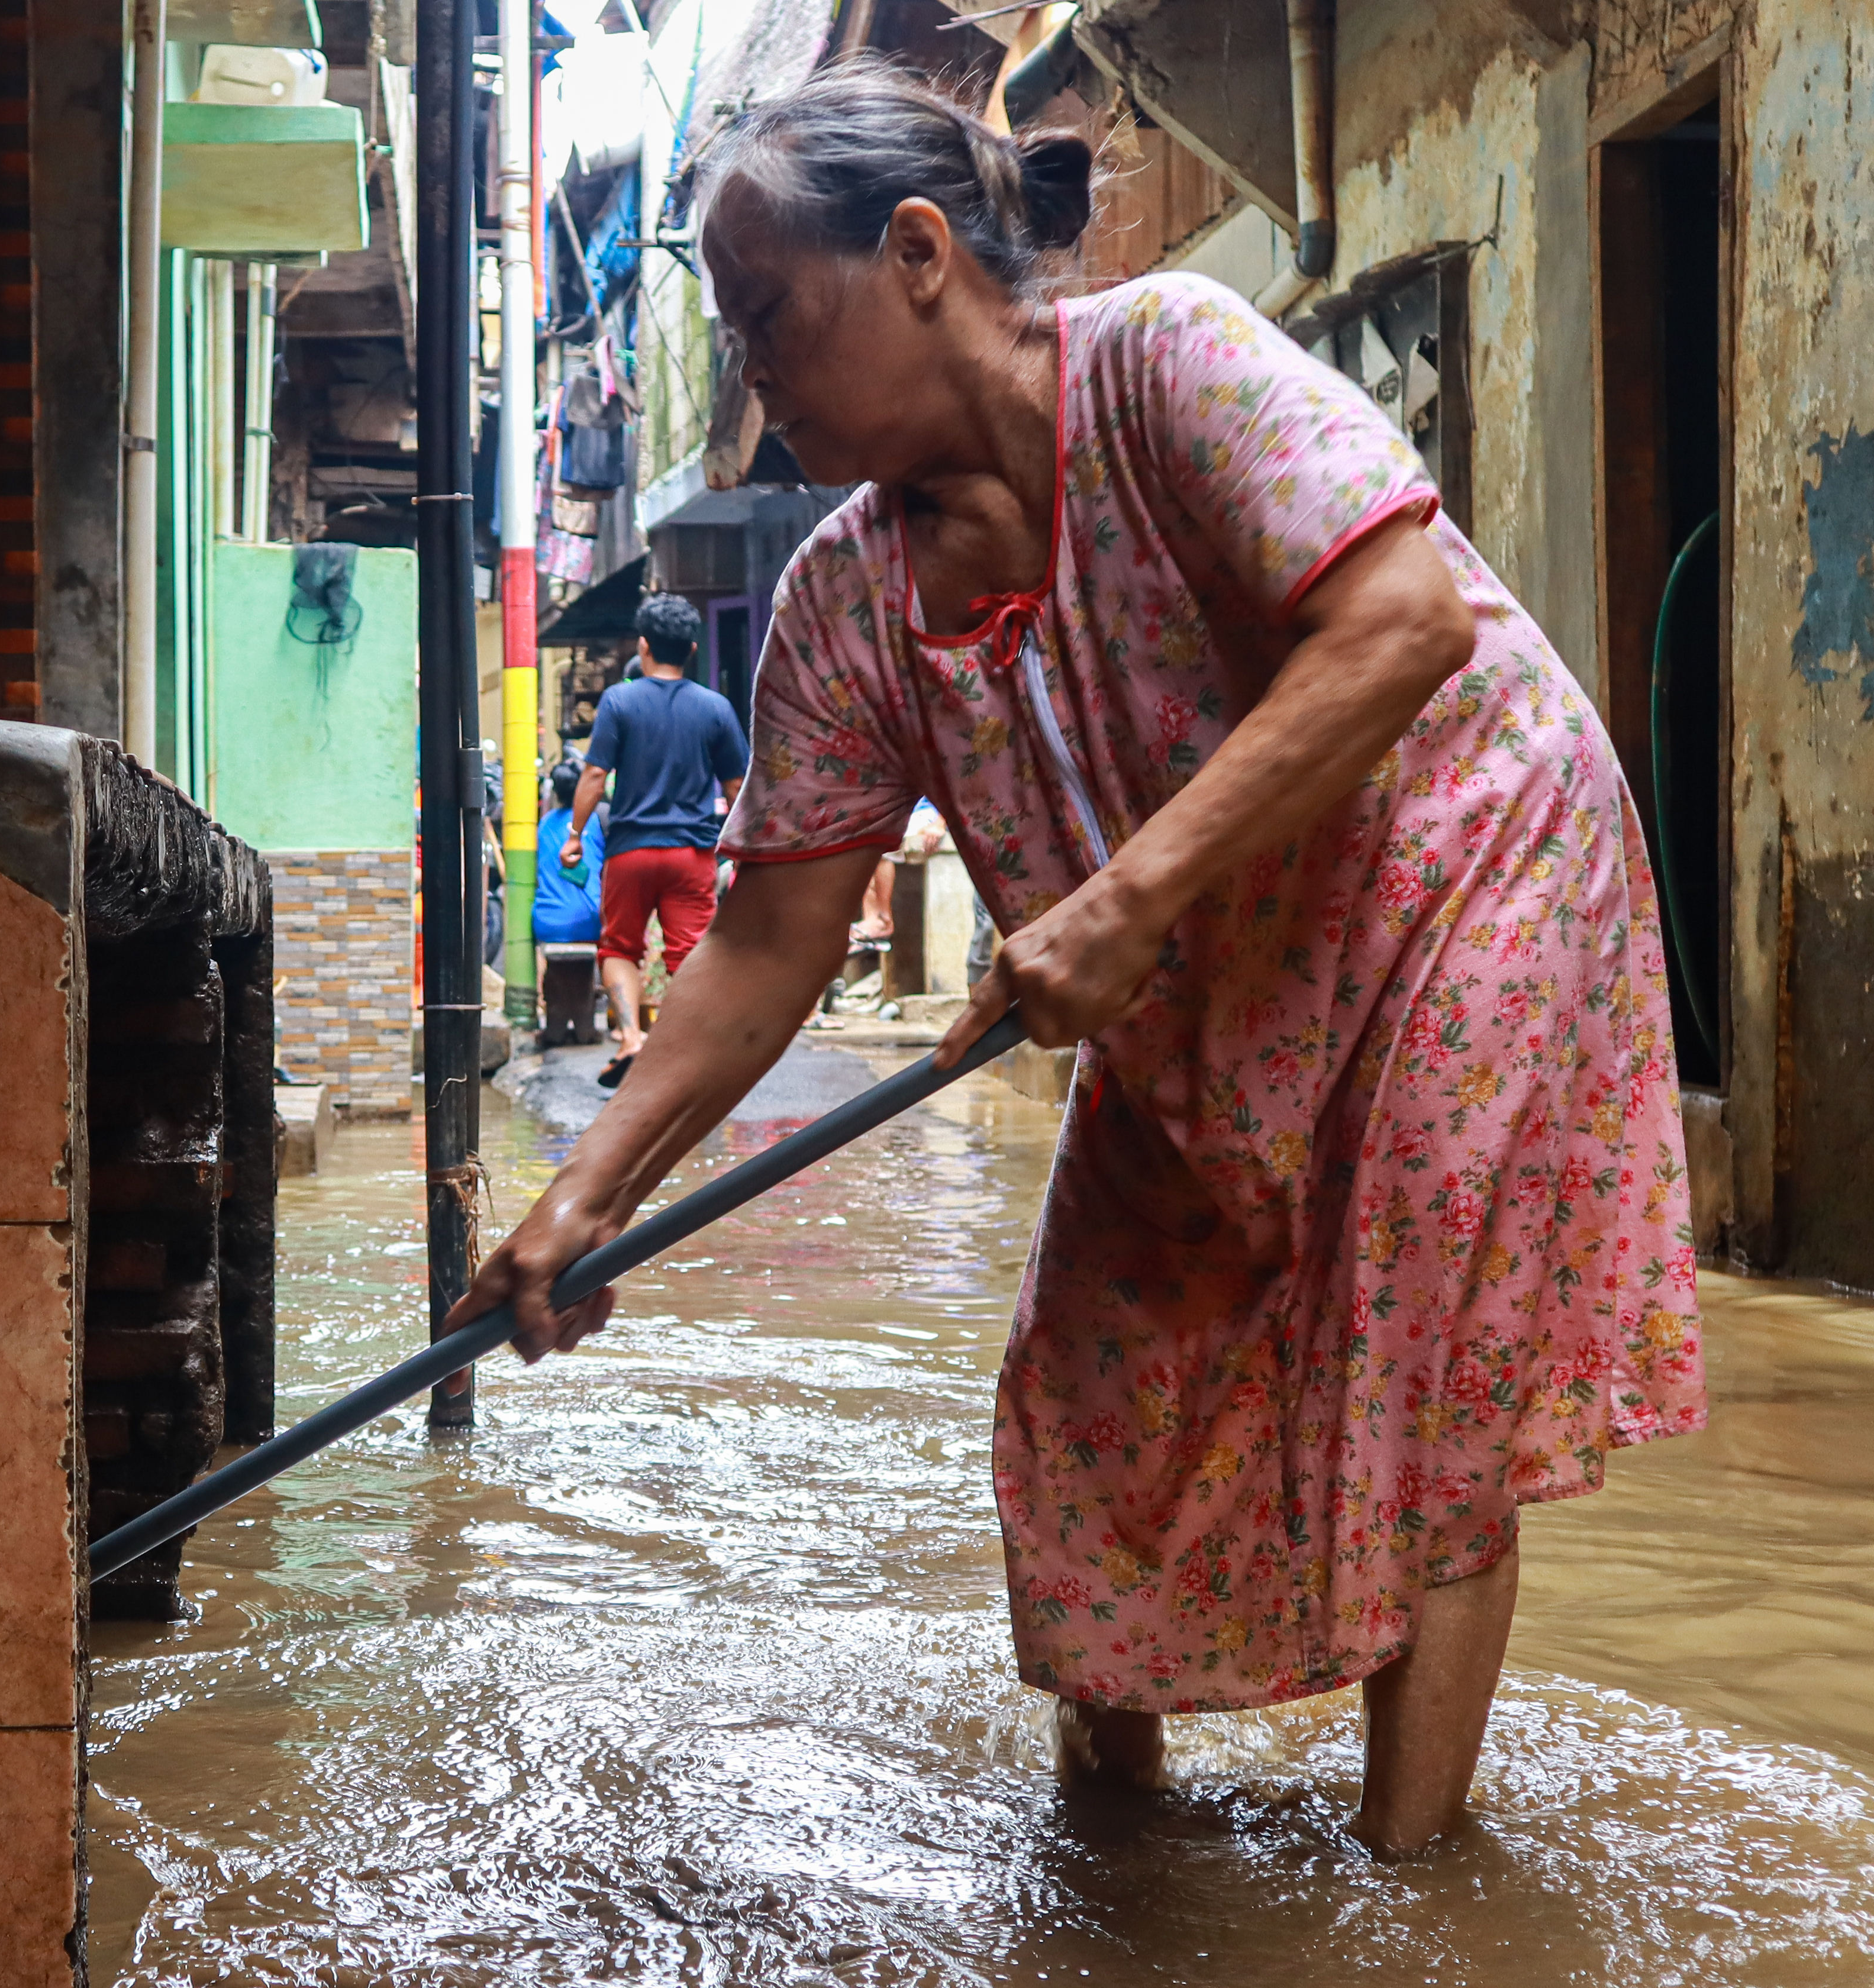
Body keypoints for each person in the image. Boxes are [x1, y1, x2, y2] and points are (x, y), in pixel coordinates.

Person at [449, 62, 1702, 1857]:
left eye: (769, 320)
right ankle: (1118, 1857)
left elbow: (1405, 621)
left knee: (1404, 1358)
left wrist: (1119, 909)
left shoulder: (1169, 360)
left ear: (916, 254)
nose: (755, 380)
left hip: (1458, 861)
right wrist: (587, 1191)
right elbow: (775, 939)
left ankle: (1411, 1897)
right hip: (1208, 948)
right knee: (1092, 1377)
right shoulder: (841, 602)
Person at [566, 593, 749, 1085]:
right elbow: (738, 790)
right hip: (692, 855)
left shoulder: (620, 701)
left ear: (643, 646)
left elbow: (594, 776)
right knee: (689, 953)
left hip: (630, 853)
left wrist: (574, 835)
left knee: (619, 949)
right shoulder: (716, 708)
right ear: (691, 648)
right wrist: (744, 850)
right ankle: (691, 1051)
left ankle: (631, 1039)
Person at [533, 756, 604, 946]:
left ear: (556, 792)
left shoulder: (544, 823)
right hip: (590, 921)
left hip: (547, 922)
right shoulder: (597, 820)